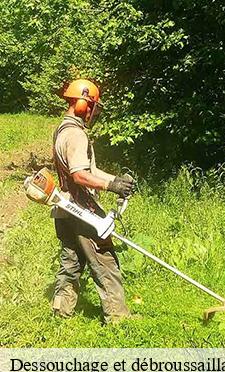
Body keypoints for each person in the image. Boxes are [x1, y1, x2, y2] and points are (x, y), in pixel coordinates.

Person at [51, 78, 133, 324]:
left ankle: (61, 310)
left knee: (71, 261)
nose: (93, 113)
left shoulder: (62, 129)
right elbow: (79, 175)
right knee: (105, 260)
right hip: (82, 211)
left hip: (64, 210)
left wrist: (117, 181)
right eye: (92, 107)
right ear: (82, 104)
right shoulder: (76, 135)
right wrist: (110, 185)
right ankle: (118, 318)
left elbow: (89, 170)